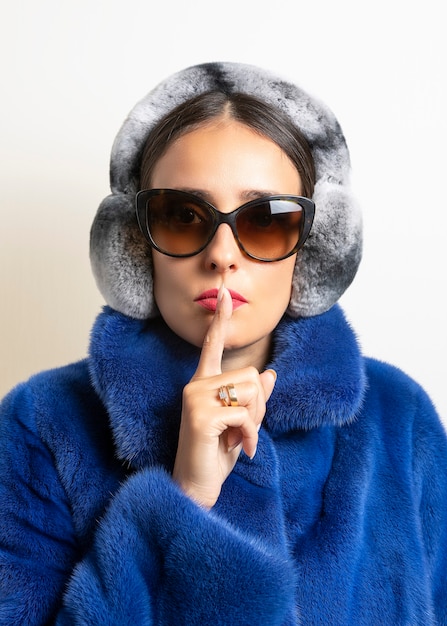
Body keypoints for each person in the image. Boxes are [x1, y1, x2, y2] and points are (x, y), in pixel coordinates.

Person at [0, 62, 446, 625]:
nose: (222, 254)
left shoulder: (398, 420)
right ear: (136, 245)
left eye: (266, 219)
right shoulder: (42, 426)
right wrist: (184, 504)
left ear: (314, 247)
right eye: (183, 216)